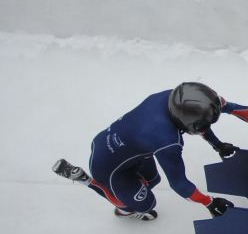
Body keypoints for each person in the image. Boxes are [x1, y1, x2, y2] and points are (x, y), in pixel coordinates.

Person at [52, 82, 236, 221]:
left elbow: (197, 121)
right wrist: (210, 203)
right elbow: (180, 184)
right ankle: (90, 183)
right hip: (108, 169)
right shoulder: (167, 142)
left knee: (153, 180)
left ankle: (126, 193)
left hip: (114, 145)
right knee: (145, 204)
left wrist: (217, 144)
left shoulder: (169, 97)